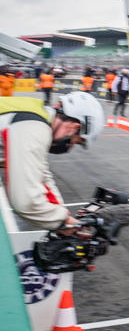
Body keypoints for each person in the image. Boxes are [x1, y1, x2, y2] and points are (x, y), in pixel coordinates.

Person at [0, 91, 104, 231]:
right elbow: (25, 201)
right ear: (75, 127)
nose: (70, 147)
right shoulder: (34, 126)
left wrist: (64, 217)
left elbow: (42, 175)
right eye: (75, 141)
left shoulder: (35, 114)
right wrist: (62, 223)